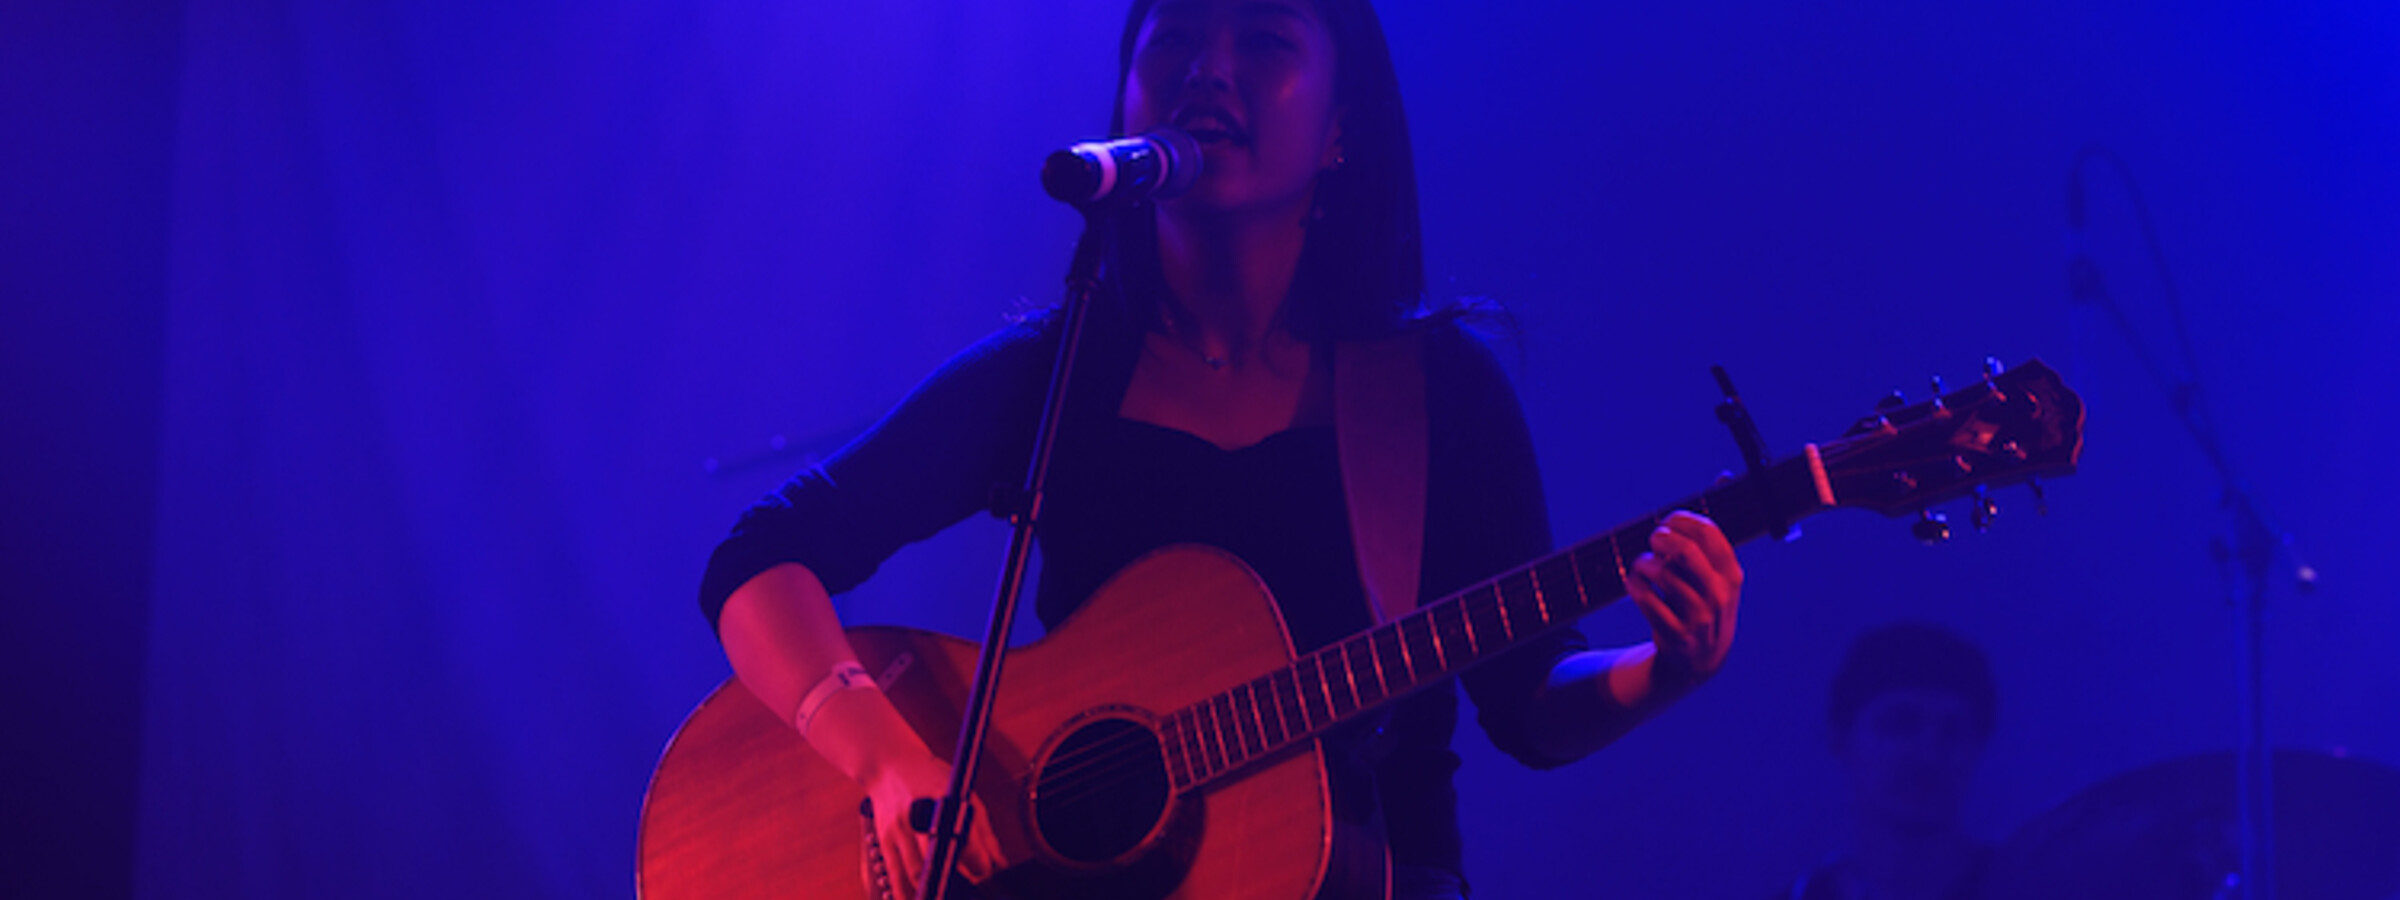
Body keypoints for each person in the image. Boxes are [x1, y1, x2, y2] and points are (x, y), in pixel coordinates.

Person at [698, 1, 1745, 897]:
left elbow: (1528, 700)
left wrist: (1667, 666)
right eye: (1177, 40)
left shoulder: (1436, 395)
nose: (1209, 69)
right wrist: (886, 758)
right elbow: (759, 561)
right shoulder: (1057, 371)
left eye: (1265, 41)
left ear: (1342, 127)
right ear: (1125, 101)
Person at [1777, 622, 2000, 900]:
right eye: (1900, 724)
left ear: (1978, 747)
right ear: (1840, 738)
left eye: (1952, 730)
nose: (1927, 756)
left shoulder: (2033, 889)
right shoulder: (1805, 895)